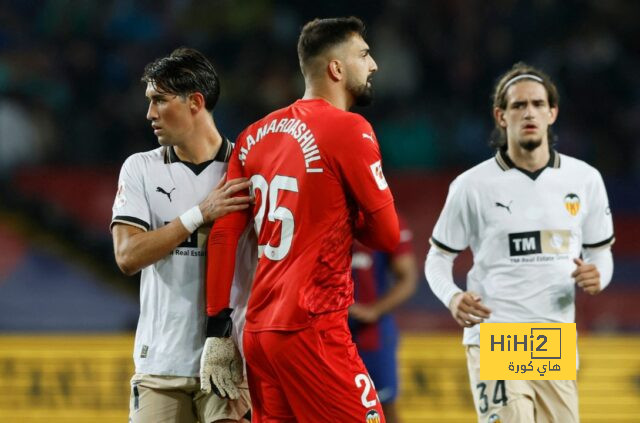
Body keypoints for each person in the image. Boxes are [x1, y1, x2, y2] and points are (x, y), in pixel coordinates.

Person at [199, 17, 400, 422]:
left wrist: (218, 330)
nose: (374, 64)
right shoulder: (349, 129)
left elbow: (224, 234)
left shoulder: (254, 135)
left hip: (258, 333)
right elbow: (388, 236)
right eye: (363, 54)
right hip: (313, 327)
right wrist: (351, 217)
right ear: (336, 69)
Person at [425, 62, 615, 423]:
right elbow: (438, 256)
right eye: (518, 105)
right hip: (496, 335)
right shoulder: (472, 185)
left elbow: (600, 251)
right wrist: (452, 297)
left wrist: (598, 276)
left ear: (552, 112)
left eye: (538, 104)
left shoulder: (585, 179)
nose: (529, 112)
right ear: (501, 115)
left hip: (552, 340)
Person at [110, 47, 253, 423]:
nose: (150, 113)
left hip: (230, 363)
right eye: (149, 101)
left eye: (160, 100)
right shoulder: (140, 168)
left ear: (196, 102)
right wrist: (197, 216)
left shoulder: (248, 169)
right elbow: (127, 256)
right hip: (160, 366)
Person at [349, 218, 417, 423]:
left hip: (372, 335)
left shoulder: (386, 220)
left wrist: (374, 310)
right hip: (327, 332)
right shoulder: (323, 214)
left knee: (383, 408)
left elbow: (408, 277)